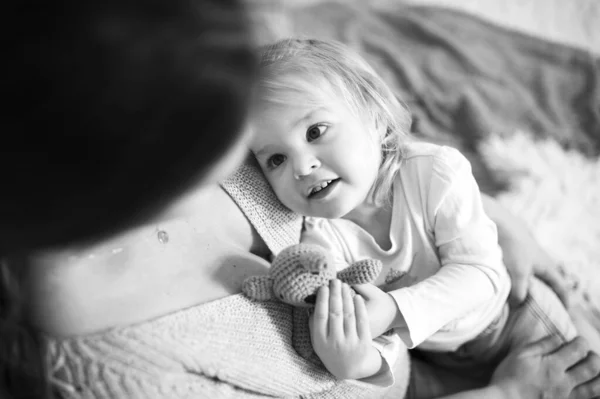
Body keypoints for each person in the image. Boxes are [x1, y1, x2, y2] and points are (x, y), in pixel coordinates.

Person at [2, 1, 599, 399]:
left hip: (488, 317)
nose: (289, 159)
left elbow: (392, 175)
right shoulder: (114, 368)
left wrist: (497, 220)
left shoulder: (214, 108)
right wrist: (509, 394)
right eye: (269, 155)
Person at [248, 38, 584, 395]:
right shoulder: (318, 240)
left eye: (315, 132)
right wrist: (357, 360)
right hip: (435, 355)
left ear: (375, 117)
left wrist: (392, 309)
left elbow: (480, 273)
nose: (302, 166)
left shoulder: (436, 172)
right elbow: (371, 326)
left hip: (514, 320)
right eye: (276, 160)